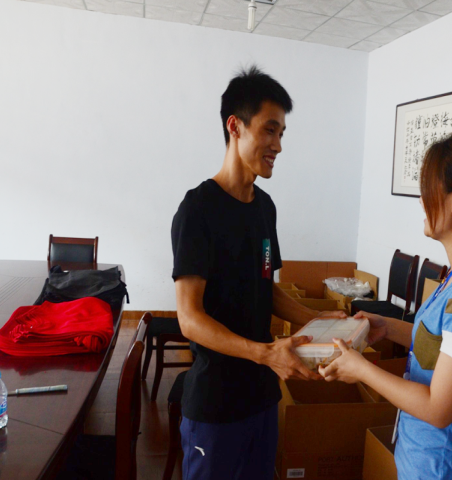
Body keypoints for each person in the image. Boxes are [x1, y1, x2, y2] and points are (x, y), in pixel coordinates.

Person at [319, 132, 452, 480]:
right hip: (424, 462)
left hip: (440, 470)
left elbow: (438, 408)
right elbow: (445, 343)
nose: (421, 201)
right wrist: (388, 327)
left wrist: (362, 370)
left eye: (428, 190)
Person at [171, 66, 344, 480]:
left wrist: (318, 319)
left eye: (281, 133)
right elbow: (189, 319)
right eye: (269, 130)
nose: (278, 145)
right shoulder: (197, 210)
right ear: (235, 126)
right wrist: (266, 353)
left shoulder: (265, 207)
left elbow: (267, 288)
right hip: (216, 404)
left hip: (263, 397)